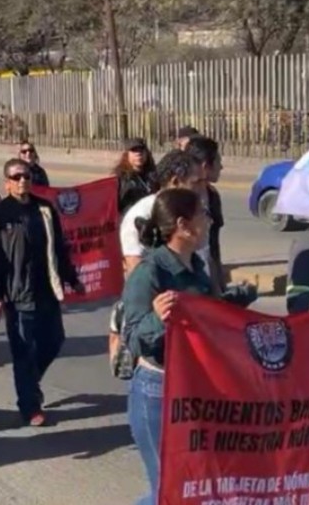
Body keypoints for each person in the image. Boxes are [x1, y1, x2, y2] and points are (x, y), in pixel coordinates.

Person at [122, 188, 213, 505]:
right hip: (156, 391)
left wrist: (236, 301)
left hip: (193, 388)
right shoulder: (150, 272)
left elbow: (209, 318)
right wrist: (159, 318)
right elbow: (131, 337)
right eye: (203, 214)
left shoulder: (196, 268)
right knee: (170, 490)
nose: (210, 221)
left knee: (192, 487)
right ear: (183, 225)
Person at [0, 158, 83, 426]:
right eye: (16, 177)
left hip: (45, 288)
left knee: (54, 340)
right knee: (23, 350)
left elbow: (59, 248)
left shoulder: (45, 208)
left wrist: (71, 278)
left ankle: (30, 381)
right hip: (17, 292)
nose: (22, 181)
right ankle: (29, 405)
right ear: (6, 183)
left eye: (25, 176)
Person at [119, 150, 207, 276]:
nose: (203, 189)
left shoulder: (195, 212)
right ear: (175, 182)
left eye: (204, 181)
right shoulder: (142, 214)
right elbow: (136, 269)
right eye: (196, 182)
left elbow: (204, 260)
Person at [185, 136, 226, 291]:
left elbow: (213, 246)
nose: (221, 167)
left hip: (209, 278)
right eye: (217, 162)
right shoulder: (179, 199)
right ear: (205, 166)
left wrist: (219, 286)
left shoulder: (212, 196)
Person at [114, 138, 157, 215]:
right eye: (134, 150)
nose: (138, 153)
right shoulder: (122, 179)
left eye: (141, 150)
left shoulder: (154, 175)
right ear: (127, 155)